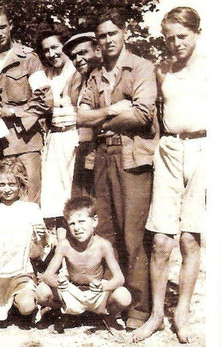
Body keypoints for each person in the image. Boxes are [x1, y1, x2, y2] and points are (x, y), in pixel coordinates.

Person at [77, 8, 159, 329]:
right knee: (107, 231)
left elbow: (141, 114)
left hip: (132, 160)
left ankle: (139, 309)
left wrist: (99, 119)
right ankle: (111, 303)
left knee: (133, 234)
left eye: (113, 33)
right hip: (100, 157)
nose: (108, 40)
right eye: (102, 36)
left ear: (125, 32)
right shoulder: (95, 74)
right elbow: (80, 116)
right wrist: (112, 110)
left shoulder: (141, 67)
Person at [132, 7, 206, 343]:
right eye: (170, 37)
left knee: (190, 238)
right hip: (170, 151)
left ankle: (183, 314)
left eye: (182, 36)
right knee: (161, 240)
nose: (176, 44)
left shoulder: (212, 68)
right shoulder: (162, 69)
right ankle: (156, 315)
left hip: (206, 150)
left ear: (196, 33)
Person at [0, 4, 50, 204]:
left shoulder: (28, 59)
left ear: (11, 26)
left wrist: (13, 111)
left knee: (28, 203)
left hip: (24, 144)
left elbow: (45, 100)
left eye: (2, 27)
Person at [36, 196, 131, 334]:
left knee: (124, 296)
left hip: (96, 292)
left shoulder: (103, 245)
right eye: (72, 223)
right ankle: (62, 314)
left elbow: (119, 278)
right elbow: (48, 275)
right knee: (41, 292)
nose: (77, 228)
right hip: (72, 292)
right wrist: (59, 283)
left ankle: (108, 317)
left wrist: (104, 286)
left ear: (94, 221)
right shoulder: (65, 245)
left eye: (81, 221)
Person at [0, 158, 46, 330]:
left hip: (20, 273)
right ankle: (0, 307)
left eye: (12, 184)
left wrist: (41, 237)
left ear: (21, 184)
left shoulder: (30, 210)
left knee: (27, 307)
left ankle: (19, 304)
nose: (7, 189)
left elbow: (39, 250)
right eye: (2, 184)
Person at [36, 22, 78, 231]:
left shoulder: (78, 71)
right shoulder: (47, 75)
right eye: (46, 50)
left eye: (55, 47)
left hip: (74, 137)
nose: (51, 54)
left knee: (73, 196)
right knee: (54, 199)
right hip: (54, 139)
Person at [62, 31, 101, 198]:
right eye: (73, 56)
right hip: (83, 148)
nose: (78, 59)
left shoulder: (105, 76)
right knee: (82, 201)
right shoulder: (76, 81)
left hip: (101, 148)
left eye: (83, 52)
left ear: (97, 51)